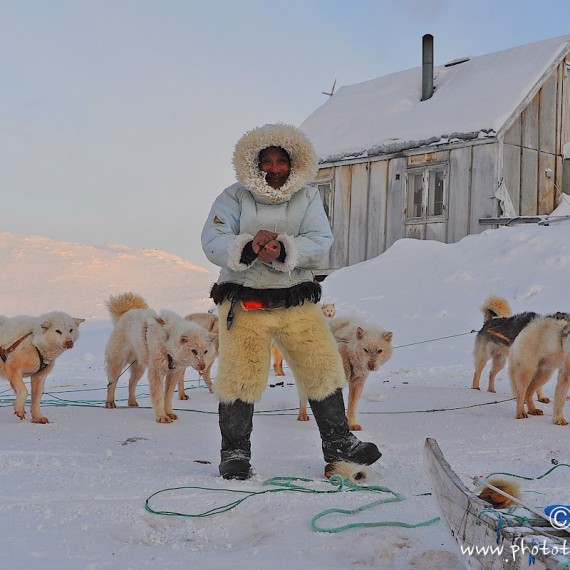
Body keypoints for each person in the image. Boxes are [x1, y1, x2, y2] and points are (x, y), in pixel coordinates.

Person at [201, 123, 381, 480]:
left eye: (280, 161)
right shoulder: (233, 197)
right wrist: (251, 247)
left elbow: (320, 239)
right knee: (241, 374)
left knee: (322, 367)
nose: (273, 168)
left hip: (296, 297)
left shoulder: (307, 197)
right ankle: (234, 452)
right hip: (246, 299)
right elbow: (214, 238)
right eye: (265, 161)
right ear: (252, 164)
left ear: (293, 163)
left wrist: (283, 248)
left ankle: (340, 444)